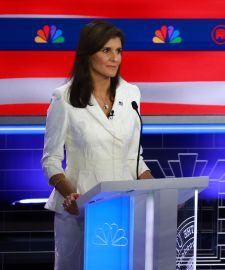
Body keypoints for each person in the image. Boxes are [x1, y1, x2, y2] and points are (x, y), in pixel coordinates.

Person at [41, 21, 153, 270]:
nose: (115, 59)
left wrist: (158, 190)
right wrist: (71, 195)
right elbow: (50, 159)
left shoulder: (131, 94)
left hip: (123, 209)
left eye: (119, 51)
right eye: (106, 51)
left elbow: (135, 158)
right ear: (87, 54)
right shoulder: (64, 98)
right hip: (81, 212)